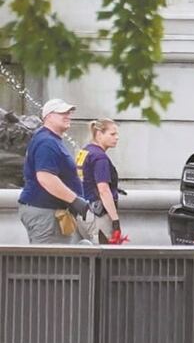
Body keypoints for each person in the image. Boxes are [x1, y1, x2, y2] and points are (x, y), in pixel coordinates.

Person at [18, 98, 90, 244]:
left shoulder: (49, 139)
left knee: (49, 262)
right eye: (62, 112)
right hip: (46, 212)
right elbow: (45, 177)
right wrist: (75, 200)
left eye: (69, 112)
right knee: (50, 264)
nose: (68, 115)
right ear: (48, 117)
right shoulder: (47, 142)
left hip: (47, 211)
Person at [76, 118, 124, 243]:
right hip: (99, 215)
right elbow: (103, 190)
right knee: (105, 258)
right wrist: (115, 220)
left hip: (83, 213)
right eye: (112, 134)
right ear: (99, 134)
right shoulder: (99, 157)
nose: (117, 138)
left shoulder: (84, 151)